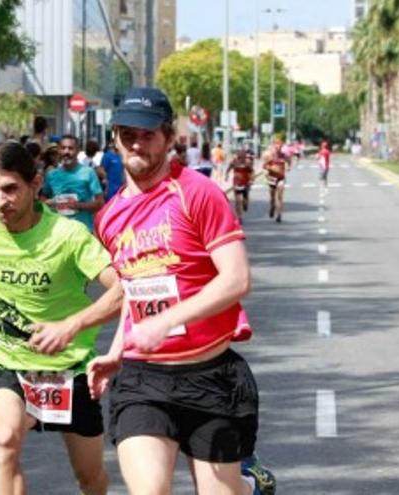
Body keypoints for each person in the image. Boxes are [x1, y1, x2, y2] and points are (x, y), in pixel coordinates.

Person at [88, 88, 273, 495]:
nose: (137, 143)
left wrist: (168, 320)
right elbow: (135, 294)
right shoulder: (110, 216)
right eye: (127, 134)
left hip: (209, 376)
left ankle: (246, 485)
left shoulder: (198, 193)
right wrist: (117, 352)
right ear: (115, 139)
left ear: (169, 138)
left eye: (148, 134)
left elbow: (236, 278)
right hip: (143, 380)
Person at [0, 141, 123, 495]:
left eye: (11, 189)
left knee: (90, 476)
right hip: (8, 363)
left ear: (35, 184)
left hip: (69, 368)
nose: (0, 201)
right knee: (5, 439)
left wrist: (70, 326)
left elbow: (121, 290)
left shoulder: (68, 236)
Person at [41, 135, 104, 233]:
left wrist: (79, 205)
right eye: (63, 148)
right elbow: (43, 199)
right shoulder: (52, 175)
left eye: (70, 148)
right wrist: (50, 203)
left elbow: (100, 203)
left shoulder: (89, 172)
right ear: (59, 151)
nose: (66, 152)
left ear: (78, 151)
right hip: (58, 232)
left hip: (83, 232)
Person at [263, 141, 288, 222]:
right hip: (272, 178)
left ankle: (279, 215)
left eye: (280, 147)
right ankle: (272, 207)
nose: (278, 148)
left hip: (281, 178)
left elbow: (289, 162)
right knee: (272, 197)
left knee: (280, 197)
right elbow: (264, 166)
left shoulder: (284, 156)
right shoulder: (271, 156)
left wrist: (288, 167)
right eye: (276, 147)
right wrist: (271, 169)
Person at [227, 149, 254, 221]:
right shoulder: (234, 161)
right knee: (238, 200)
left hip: (245, 183)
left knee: (244, 199)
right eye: (240, 154)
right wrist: (226, 175)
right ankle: (239, 216)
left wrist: (251, 180)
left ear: (244, 155)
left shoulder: (247, 162)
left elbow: (251, 172)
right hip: (236, 183)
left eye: (243, 155)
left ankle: (245, 204)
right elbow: (229, 168)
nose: (241, 156)